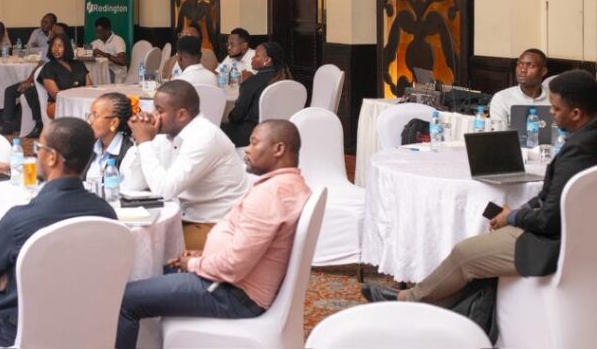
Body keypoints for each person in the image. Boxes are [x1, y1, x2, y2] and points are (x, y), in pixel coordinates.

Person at [362, 69, 597, 305]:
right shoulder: (588, 140)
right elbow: (551, 196)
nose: (551, 113)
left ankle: (407, 300)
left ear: (576, 113)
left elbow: (548, 220)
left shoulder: (577, 153)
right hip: (579, 237)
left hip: (551, 244)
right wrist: (518, 211)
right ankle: (446, 310)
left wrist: (513, 216)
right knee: (481, 249)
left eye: (556, 109)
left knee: (463, 253)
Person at [115, 119, 311, 349]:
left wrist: (195, 264)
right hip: (235, 284)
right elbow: (252, 249)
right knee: (167, 268)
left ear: (278, 149)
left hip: (232, 293)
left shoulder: (271, 195)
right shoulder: (292, 184)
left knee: (124, 300)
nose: (247, 150)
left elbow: (234, 267)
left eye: (254, 142)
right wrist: (204, 257)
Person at [0, 118, 117, 347]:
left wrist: (11, 279)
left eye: (39, 148)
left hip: (15, 325)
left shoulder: (19, 220)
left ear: (52, 157)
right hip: (86, 321)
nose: (36, 154)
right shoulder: (106, 213)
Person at [123, 80, 249, 249]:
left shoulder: (204, 137)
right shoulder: (166, 134)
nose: (153, 116)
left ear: (181, 115)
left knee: (140, 246)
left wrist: (144, 142)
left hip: (216, 225)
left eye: (160, 110)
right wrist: (143, 143)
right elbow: (134, 185)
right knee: (127, 241)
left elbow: (164, 191)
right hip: (182, 217)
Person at [0, 91, 135, 180]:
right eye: (89, 114)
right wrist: (10, 168)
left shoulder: (130, 154)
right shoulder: (88, 145)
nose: (89, 120)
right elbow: (52, 164)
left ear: (114, 123)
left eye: (95, 115)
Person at [0, 23, 67, 136]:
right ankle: (7, 125)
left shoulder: (65, 52)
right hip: (38, 80)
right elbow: (39, 66)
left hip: (50, 84)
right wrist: (29, 81)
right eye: (52, 32)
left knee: (30, 92)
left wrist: (34, 83)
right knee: (10, 91)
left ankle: (39, 124)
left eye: (55, 33)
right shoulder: (48, 49)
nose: (51, 34)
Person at [222, 41, 292, 148]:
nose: (252, 58)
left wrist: (228, 116)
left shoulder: (252, 82)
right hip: (283, 133)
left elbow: (236, 116)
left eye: (257, 56)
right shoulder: (287, 79)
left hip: (253, 134)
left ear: (267, 60)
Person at [488, 48, 549, 127]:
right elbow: (499, 132)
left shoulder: (554, 98)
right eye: (520, 65)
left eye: (531, 66)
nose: (523, 70)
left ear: (543, 71)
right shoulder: (502, 98)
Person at [39, 33, 93, 122]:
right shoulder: (49, 67)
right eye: (53, 45)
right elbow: (57, 96)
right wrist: (78, 96)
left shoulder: (79, 64)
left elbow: (89, 87)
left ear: (67, 47)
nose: (56, 49)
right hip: (58, 105)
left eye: (60, 45)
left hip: (81, 102)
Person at [91, 17, 127, 82]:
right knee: (88, 74)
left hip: (115, 71)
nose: (97, 35)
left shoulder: (118, 41)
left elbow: (122, 61)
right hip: (99, 71)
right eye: (96, 33)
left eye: (99, 33)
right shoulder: (95, 43)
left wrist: (103, 54)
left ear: (107, 30)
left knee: (101, 75)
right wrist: (90, 55)